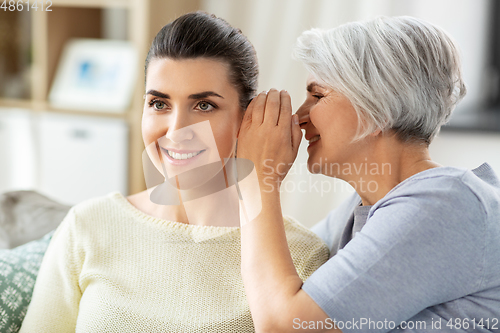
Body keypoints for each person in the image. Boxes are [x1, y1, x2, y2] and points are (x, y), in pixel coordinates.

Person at [20, 12, 329, 332]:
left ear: (247, 120)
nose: (177, 130)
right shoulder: (88, 226)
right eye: (159, 104)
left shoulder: (301, 255)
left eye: (204, 105)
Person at [237, 16, 500, 332]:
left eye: (318, 96)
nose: (299, 117)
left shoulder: (445, 205)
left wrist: (257, 178)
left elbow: (285, 325)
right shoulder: (359, 211)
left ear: (380, 108)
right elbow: (262, 284)